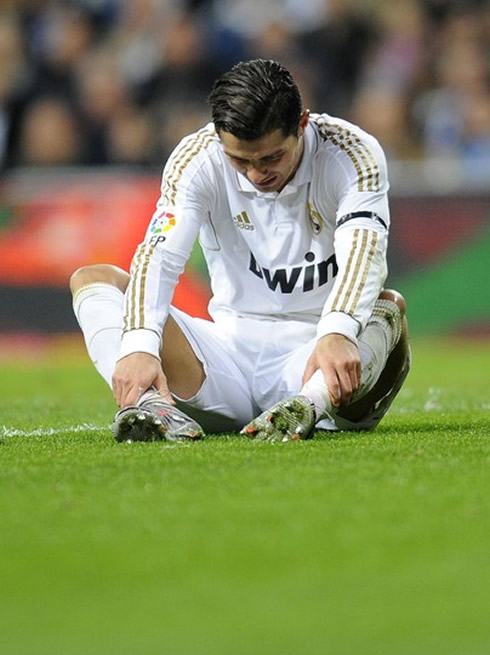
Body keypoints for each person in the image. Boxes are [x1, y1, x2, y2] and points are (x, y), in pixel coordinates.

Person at [70, 58, 410, 443]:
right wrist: (139, 347)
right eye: (240, 160)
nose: (255, 174)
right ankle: (153, 406)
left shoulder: (351, 154)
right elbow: (159, 256)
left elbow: (364, 254)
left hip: (316, 360)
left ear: (302, 124)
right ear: (219, 137)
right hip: (226, 360)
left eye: (271, 158)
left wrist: (338, 331)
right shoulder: (195, 159)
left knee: (387, 309)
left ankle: (306, 407)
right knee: (95, 280)